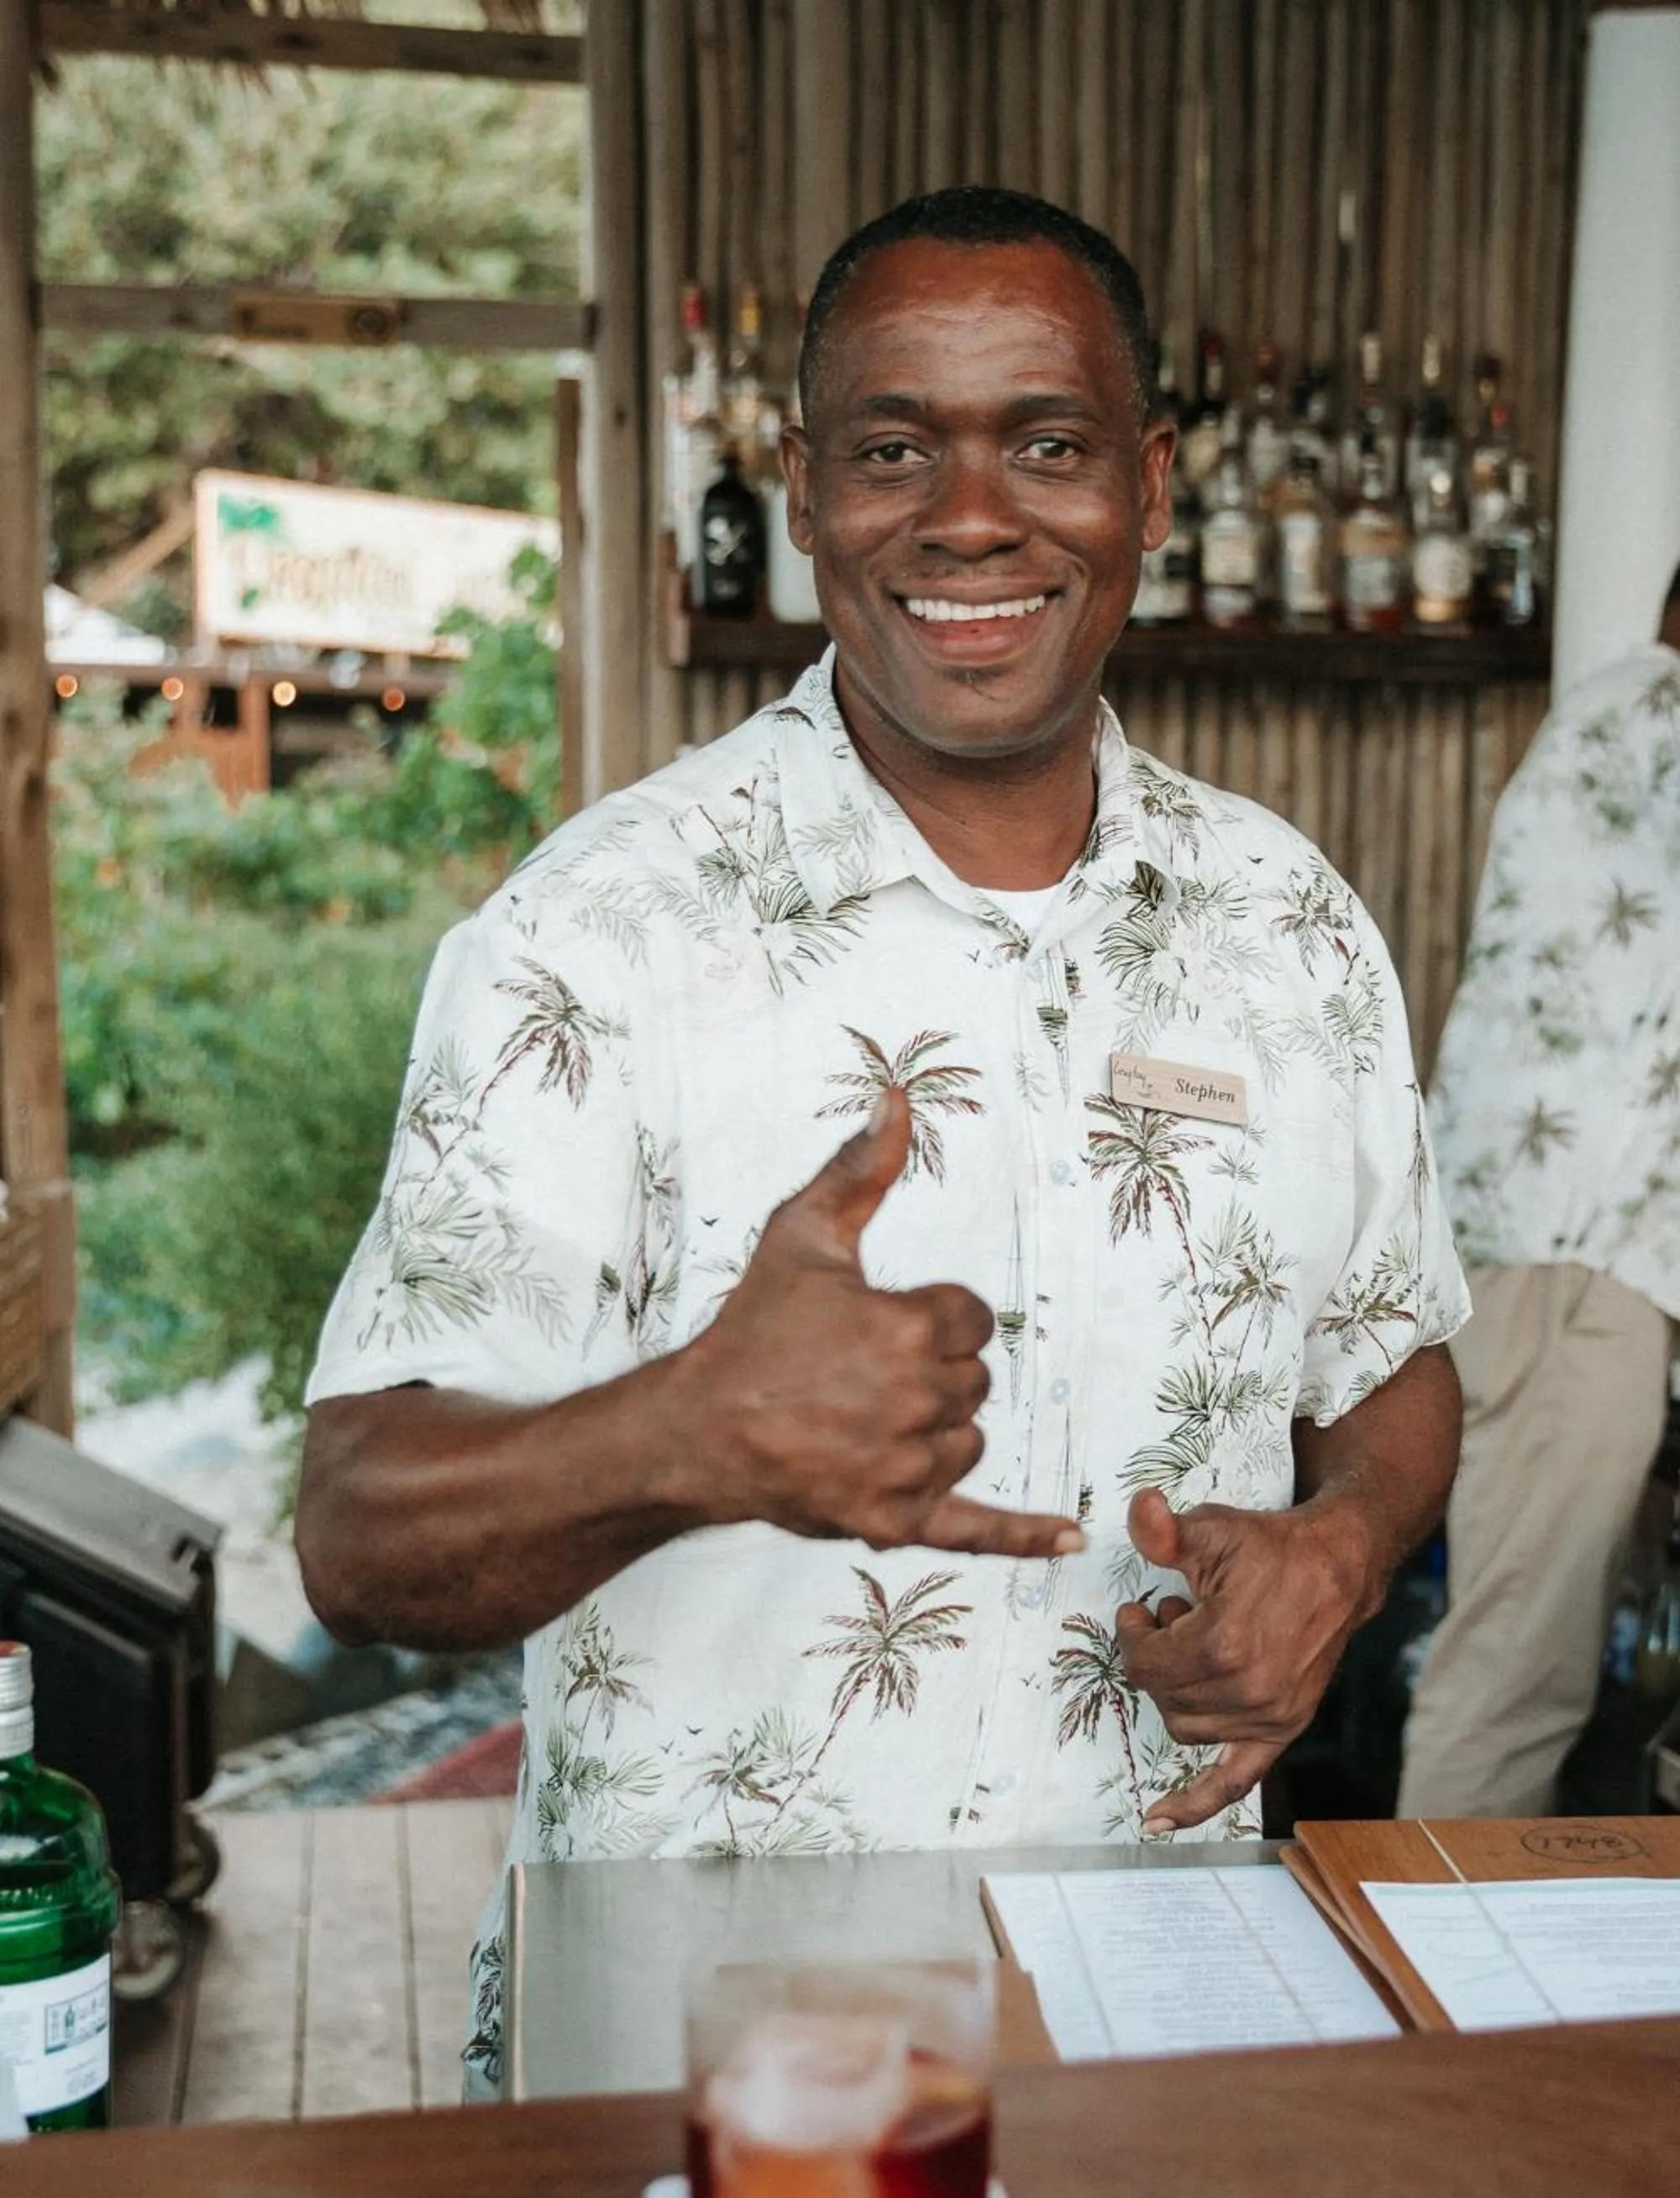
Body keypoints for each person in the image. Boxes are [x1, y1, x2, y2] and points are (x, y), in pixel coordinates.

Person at [295, 187, 1467, 2085]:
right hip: (698, 2064)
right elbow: (353, 1537)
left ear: (1151, 486)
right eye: (895, 447)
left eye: (1052, 445)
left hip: (1157, 2030)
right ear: (800, 485)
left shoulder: (1291, 925)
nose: (973, 516)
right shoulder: (594, 936)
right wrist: (672, 1434)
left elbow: (1394, 1352)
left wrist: (1340, 1546)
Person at [1399, 568, 1680, 1818]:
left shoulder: (1609, 722)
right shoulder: (1659, 728)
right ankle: (1435, 2006)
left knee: (1512, 1656)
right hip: (1586, 1257)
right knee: (1516, 1679)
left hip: (1546, 1244)